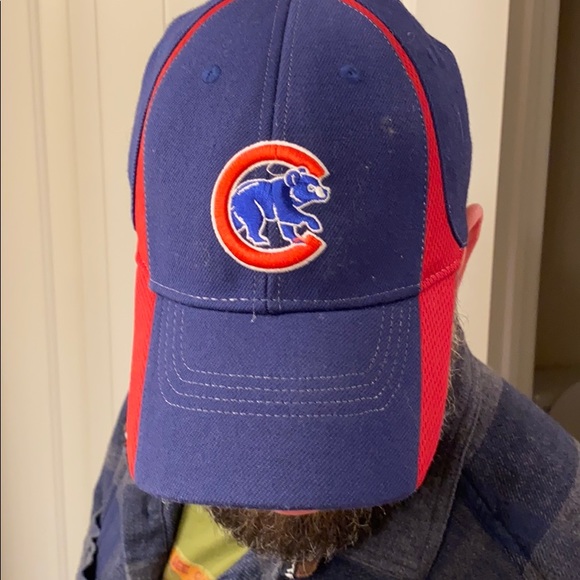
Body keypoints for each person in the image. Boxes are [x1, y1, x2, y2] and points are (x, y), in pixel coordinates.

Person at [78, 0, 580, 578]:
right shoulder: (159, 403)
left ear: (462, 257)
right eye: (222, 352)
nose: (280, 468)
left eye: (329, 367)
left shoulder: (546, 551)